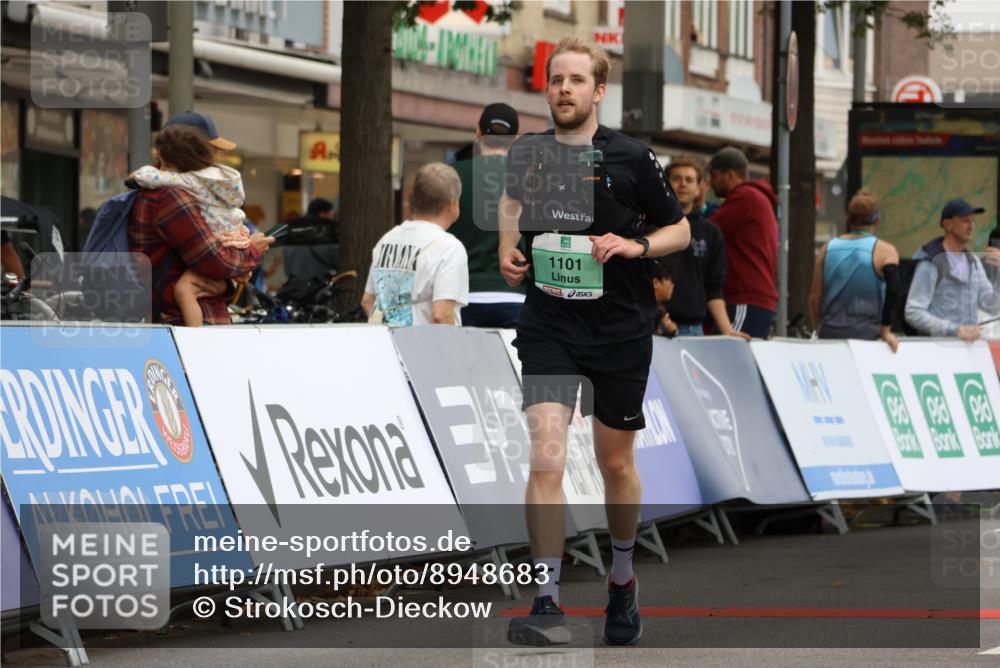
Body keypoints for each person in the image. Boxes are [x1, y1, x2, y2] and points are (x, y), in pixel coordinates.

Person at [498, 36, 690, 647]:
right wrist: (511, 249)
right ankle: (547, 600)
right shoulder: (527, 152)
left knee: (615, 463)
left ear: (598, 91)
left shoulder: (632, 157)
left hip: (620, 330)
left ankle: (623, 579)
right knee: (546, 459)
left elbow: (680, 229)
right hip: (550, 326)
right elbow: (511, 203)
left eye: (576, 80)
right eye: (556, 79)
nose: (563, 89)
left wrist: (635, 247)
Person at [128, 113, 272, 325]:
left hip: (175, 319)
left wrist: (226, 285)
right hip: (182, 325)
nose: (213, 158)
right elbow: (213, 259)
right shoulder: (171, 197)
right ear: (192, 152)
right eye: (211, 150)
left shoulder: (170, 190)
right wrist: (252, 251)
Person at [361, 162, 469, 326]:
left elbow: (367, 301)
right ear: (452, 204)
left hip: (385, 346)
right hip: (424, 349)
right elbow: (441, 315)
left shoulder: (386, 240)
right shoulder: (449, 248)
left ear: (413, 199)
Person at [450, 103, 526, 327]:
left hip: (463, 295)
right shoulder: (529, 178)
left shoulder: (452, 175)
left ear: (478, 133)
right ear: (514, 141)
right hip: (516, 295)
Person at [663, 154, 748, 339]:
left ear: (698, 188)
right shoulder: (651, 228)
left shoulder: (711, 233)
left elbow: (714, 288)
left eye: (689, 180)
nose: (682, 184)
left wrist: (727, 330)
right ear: (667, 185)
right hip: (655, 329)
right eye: (676, 179)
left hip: (694, 331)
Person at [809, 189, 901, 351]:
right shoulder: (886, 251)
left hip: (830, 334)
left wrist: (819, 326)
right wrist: (885, 330)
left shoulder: (827, 248)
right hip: (867, 336)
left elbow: (815, 297)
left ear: (848, 219)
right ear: (877, 220)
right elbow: (894, 291)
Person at [905, 198, 1000, 342]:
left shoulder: (973, 262)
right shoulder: (931, 262)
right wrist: (955, 330)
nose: (971, 226)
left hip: (969, 352)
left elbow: (992, 307)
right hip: (937, 355)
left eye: (973, 221)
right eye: (965, 221)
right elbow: (913, 312)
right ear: (947, 224)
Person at [707, 146, 778, 338]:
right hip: (758, 299)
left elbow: (708, 233)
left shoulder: (744, 197)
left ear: (729, 175)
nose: (710, 183)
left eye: (714, 176)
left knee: (726, 357)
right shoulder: (759, 198)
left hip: (744, 298)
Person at [283, 198, 340, 280]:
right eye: (331, 215)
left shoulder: (292, 228)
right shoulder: (330, 229)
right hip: (321, 285)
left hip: (294, 286)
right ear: (323, 214)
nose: (332, 218)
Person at [651, 259, 678, 337]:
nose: (672, 285)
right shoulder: (643, 310)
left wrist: (670, 328)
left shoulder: (661, 310)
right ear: (655, 282)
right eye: (670, 280)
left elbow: (673, 331)